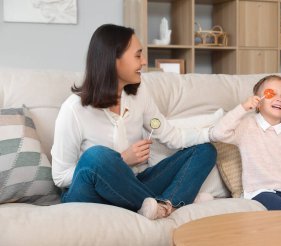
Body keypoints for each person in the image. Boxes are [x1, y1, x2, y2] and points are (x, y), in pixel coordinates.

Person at [51, 24, 216, 220]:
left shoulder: (139, 94)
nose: (145, 61)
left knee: (204, 150)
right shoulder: (74, 109)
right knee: (96, 157)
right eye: (138, 55)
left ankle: (159, 207)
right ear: (114, 60)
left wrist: (213, 132)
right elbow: (60, 177)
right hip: (90, 194)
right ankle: (167, 204)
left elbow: (172, 136)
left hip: (134, 184)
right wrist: (121, 160)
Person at [210, 75, 281, 211]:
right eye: (271, 94)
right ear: (258, 102)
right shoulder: (247, 125)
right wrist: (243, 107)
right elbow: (217, 133)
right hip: (259, 192)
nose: (279, 99)